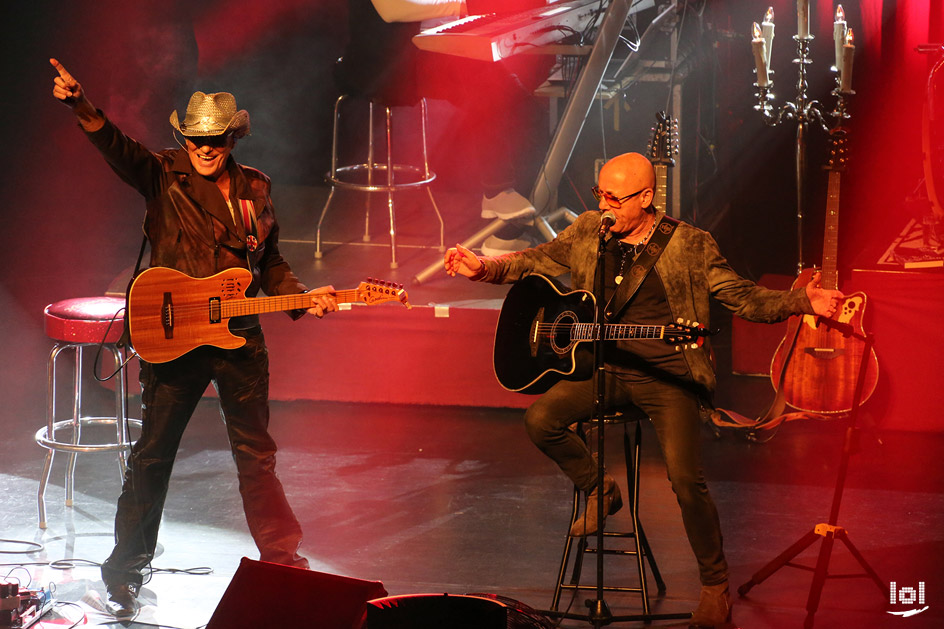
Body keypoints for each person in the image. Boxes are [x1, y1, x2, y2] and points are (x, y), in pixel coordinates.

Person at [443, 152, 844, 628]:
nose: (604, 205)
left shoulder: (690, 245)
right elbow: (538, 260)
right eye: (600, 194)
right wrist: (484, 268)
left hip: (668, 377)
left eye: (614, 197)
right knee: (541, 420)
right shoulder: (591, 231)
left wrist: (803, 300)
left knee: (684, 482)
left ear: (646, 197)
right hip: (605, 369)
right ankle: (601, 489)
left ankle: (715, 587)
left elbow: (743, 297)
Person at [50, 58, 339, 619]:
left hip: (239, 337)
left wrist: (304, 297)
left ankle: (284, 565)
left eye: (215, 139)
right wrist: (80, 104)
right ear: (183, 137)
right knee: (152, 456)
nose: (205, 148)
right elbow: (116, 145)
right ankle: (125, 571)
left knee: (257, 456)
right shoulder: (162, 174)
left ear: (232, 137)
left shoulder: (255, 188)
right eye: (196, 139)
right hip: (173, 335)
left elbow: (271, 263)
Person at [335, 0, 551, 254]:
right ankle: (502, 211)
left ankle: (504, 216)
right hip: (383, 67)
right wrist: (466, 7)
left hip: (422, 54)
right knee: (501, 95)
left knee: (506, 99)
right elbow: (392, 10)